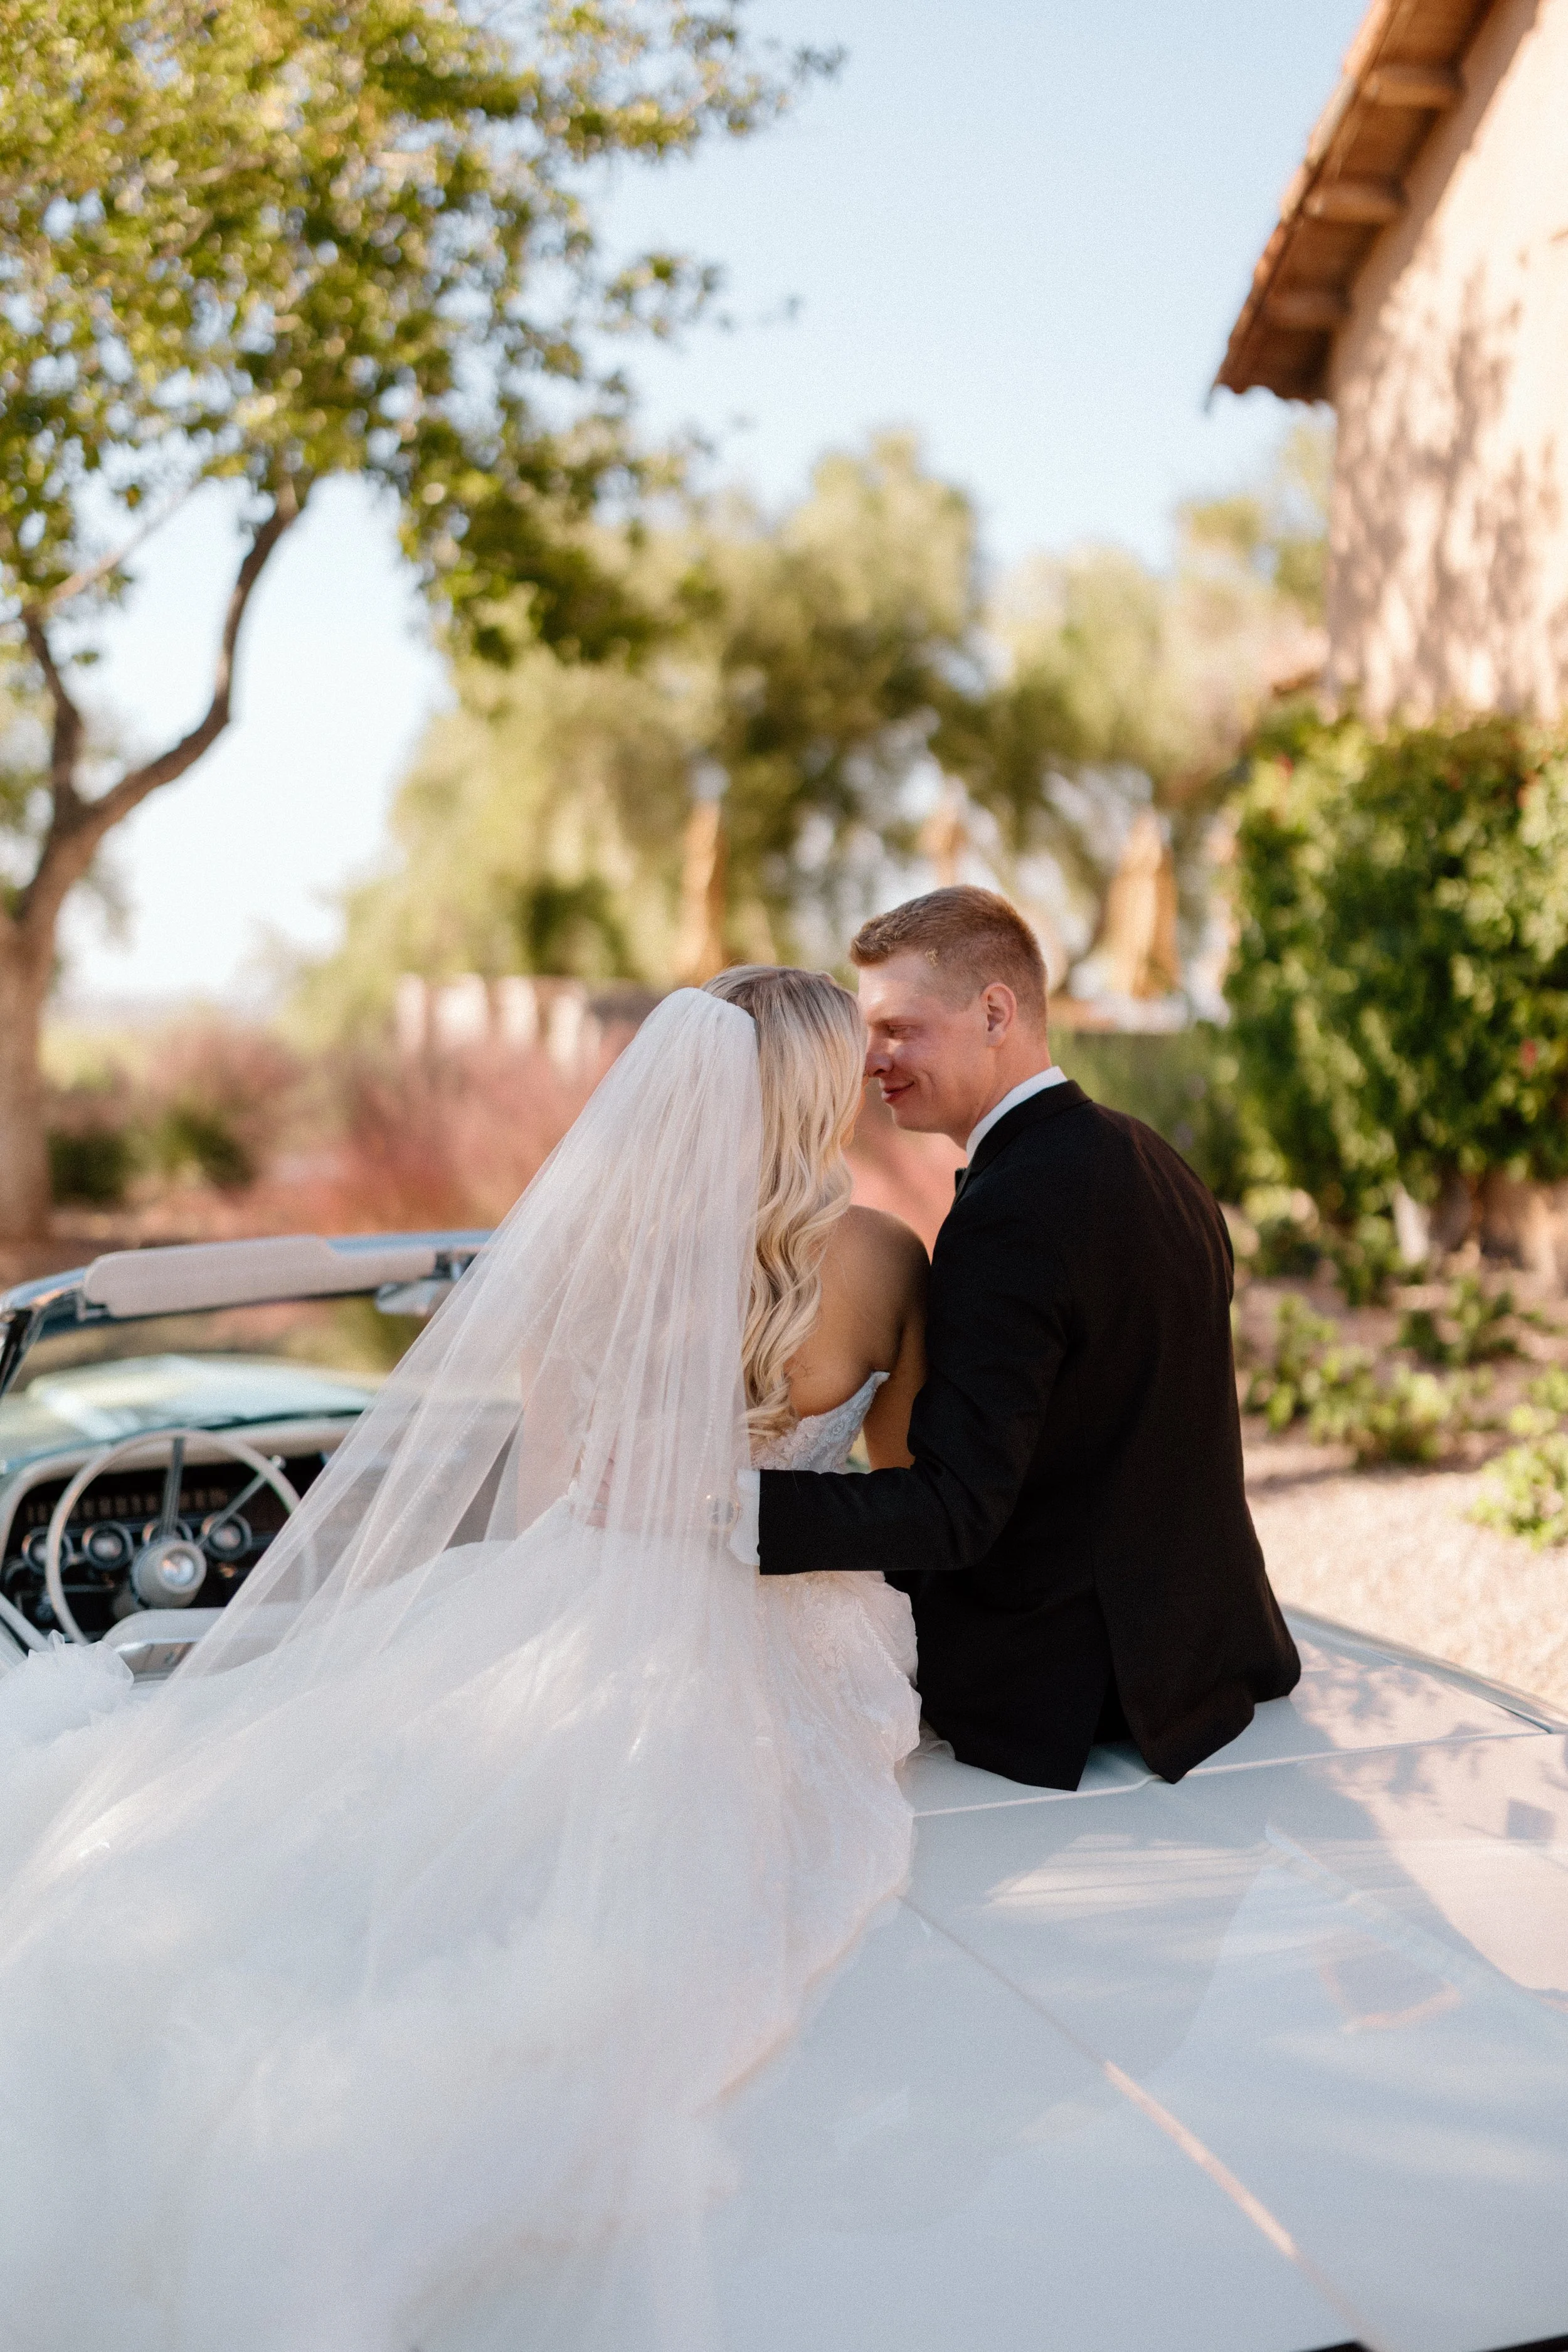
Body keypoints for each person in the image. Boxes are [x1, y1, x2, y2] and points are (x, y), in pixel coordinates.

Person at [0, 972, 926, 2352]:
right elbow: (906, 1491)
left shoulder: (595, 1249)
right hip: (796, 1612)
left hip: (570, 1585)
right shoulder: (883, 1261)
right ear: (816, 1097)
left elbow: (544, 1491)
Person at [755, 885, 1301, 1790]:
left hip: (1072, 1685)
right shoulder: (1154, 1158)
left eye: (898, 1029)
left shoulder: (1011, 1208)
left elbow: (954, 1510)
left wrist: (725, 1509)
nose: (870, 1061)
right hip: (1209, 1648)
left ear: (996, 1011)